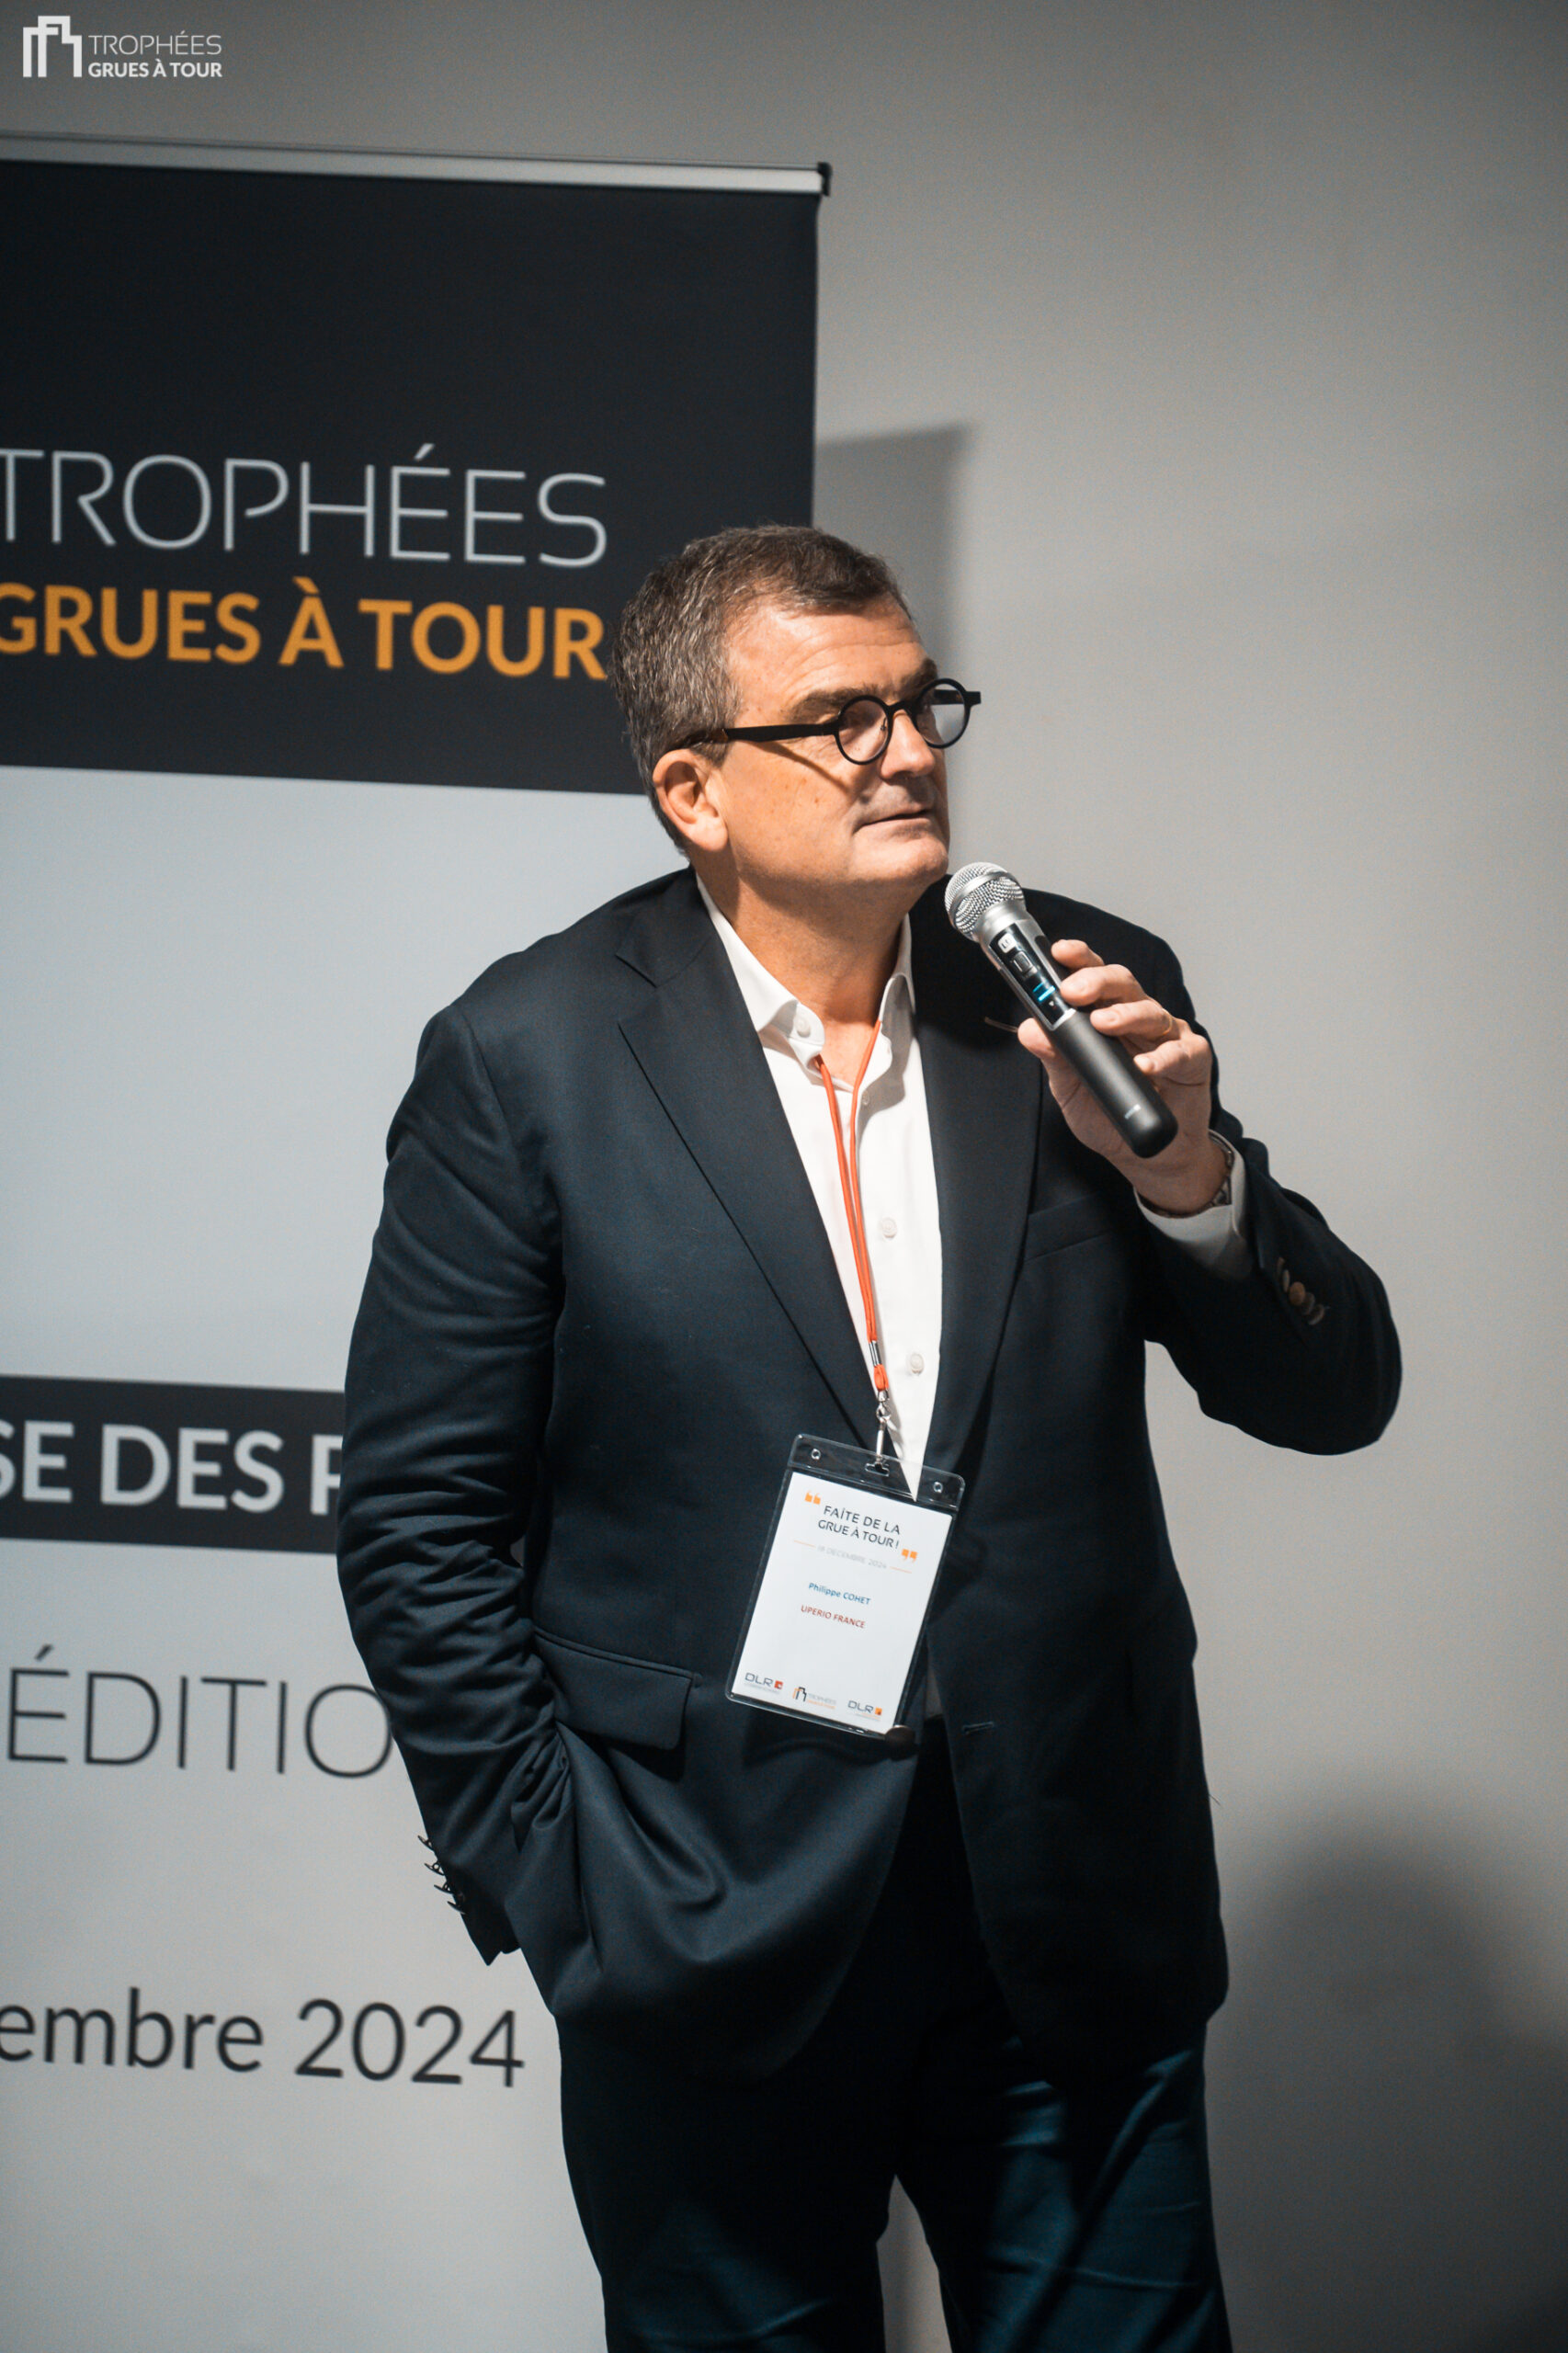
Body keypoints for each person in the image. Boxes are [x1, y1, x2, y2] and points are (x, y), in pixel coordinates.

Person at [338, 525, 1399, 2352]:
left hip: (1068, 1903)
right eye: (840, 717)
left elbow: (1331, 1394)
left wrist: (1190, 1180)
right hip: (704, 1917)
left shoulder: (1067, 988)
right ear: (693, 790)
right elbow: (418, 1525)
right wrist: (571, 1887)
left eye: (920, 703)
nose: (906, 752)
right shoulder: (530, 1055)